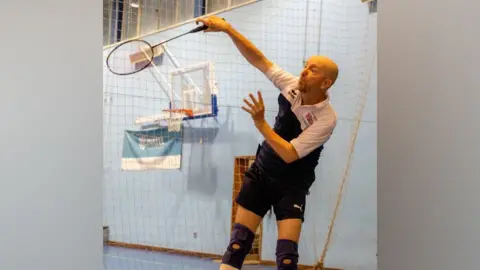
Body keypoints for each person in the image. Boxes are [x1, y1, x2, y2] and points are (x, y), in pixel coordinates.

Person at [195, 15, 339, 270]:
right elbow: (259, 59)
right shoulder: (291, 85)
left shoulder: (326, 119)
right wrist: (228, 28)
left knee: (286, 257)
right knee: (238, 244)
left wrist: (261, 123)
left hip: (292, 185)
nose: (304, 71)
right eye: (306, 65)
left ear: (326, 83)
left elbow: (290, 153)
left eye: (313, 69)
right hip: (262, 173)